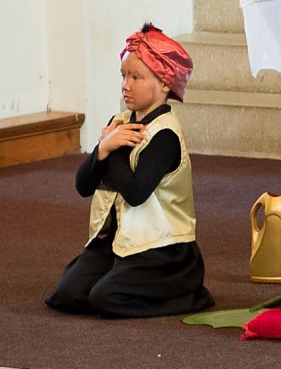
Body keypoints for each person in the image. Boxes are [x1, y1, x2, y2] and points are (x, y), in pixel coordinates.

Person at [45, 23, 214, 318]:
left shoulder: (165, 136)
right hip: (119, 238)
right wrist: (102, 150)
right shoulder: (119, 122)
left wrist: (116, 149)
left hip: (162, 248)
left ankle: (190, 295)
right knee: (67, 294)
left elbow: (136, 193)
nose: (126, 85)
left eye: (136, 77)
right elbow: (83, 186)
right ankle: (116, 277)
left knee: (104, 299)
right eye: (123, 75)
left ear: (164, 83)